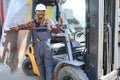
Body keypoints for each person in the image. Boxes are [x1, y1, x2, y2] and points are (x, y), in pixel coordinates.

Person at [11, 3, 62, 80]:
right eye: (38, 11)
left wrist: (59, 25)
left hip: (47, 48)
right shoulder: (32, 23)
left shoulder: (49, 22)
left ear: (45, 12)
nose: (40, 13)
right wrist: (16, 27)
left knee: (48, 66)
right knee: (40, 65)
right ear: (36, 12)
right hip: (37, 48)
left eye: (42, 11)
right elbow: (22, 26)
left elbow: (56, 31)